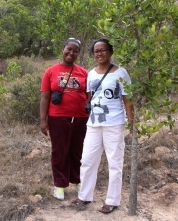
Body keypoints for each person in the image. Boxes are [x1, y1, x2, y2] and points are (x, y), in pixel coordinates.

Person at [71, 38, 134, 214]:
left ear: (110, 52)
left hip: (114, 123)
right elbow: (90, 98)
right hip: (94, 124)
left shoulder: (121, 73)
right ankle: (84, 196)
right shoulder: (91, 74)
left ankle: (112, 200)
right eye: (96, 51)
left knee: (115, 163)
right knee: (87, 160)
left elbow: (127, 99)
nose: (99, 53)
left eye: (103, 50)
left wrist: (132, 122)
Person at [40, 38, 89, 200]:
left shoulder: (84, 73)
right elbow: (45, 97)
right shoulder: (51, 71)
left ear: (78, 54)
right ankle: (60, 184)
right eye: (69, 49)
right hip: (57, 118)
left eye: (75, 51)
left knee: (78, 150)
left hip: (81, 117)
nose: (71, 53)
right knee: (60, 151)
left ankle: (78, 180)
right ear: (63, 49)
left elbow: (89, 96)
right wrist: (43, 120)